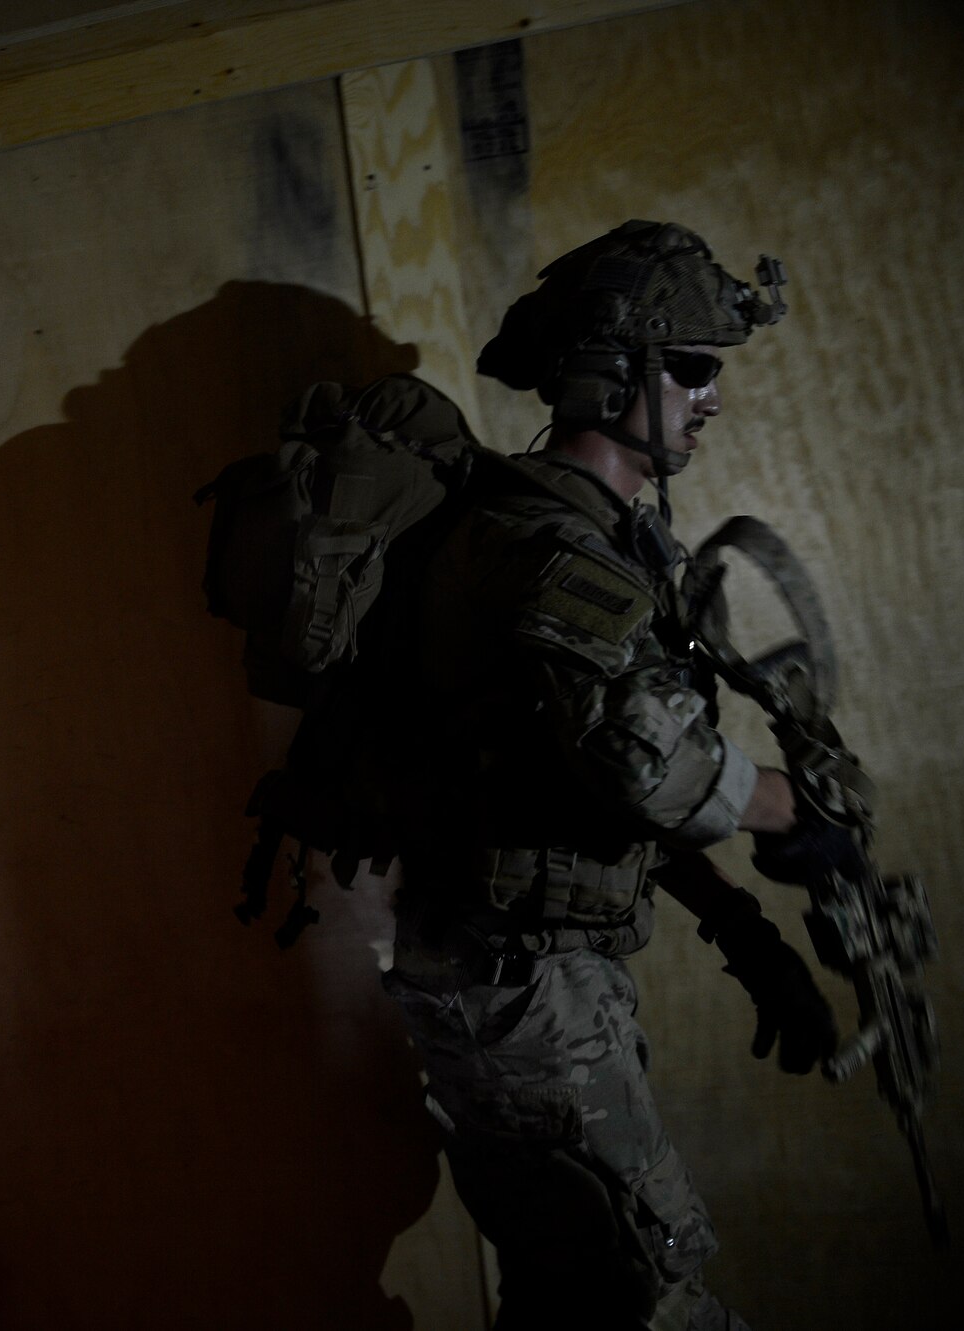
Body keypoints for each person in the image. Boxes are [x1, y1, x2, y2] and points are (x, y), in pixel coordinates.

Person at [381, 220, 856, 1330]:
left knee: (578, 1295)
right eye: (690, 367)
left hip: (531, 976)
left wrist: (742, 929)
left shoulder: (591, 534)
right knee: (643, 1296)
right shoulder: (546, 548)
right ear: (607, 373)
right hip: (521, 987)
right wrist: (793, 808)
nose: (711, 398)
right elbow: (650, 765)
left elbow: (577, 786)